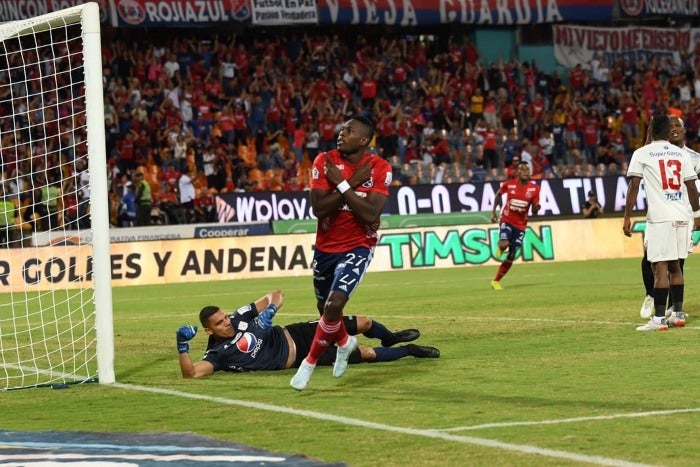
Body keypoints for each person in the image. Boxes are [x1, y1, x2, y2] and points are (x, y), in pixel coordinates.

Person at [290, 114, 393, 391]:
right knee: (324, 311)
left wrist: (343, 185)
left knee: (334, 306)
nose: (340, 133)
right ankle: (346, 343)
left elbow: (370, 214)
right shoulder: (324, 161)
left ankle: (308, 365)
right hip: (325, 247)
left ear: (363, 140)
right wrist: (351, 186)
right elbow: (319, 209)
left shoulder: (379, 167)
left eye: (348, 131)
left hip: (359, 245)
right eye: (341, 129)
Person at [176, 290, 439, 379]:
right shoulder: (217, 355)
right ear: (209, 330)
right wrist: (182, 346)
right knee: (366, 354)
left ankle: (390, 337)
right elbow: (191, 374)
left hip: (298, 332)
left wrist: (270, 309)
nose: (227, 323)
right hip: (303, 357)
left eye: (225, 318)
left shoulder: (239, 316)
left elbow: (274, 294)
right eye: (220, 324)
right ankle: (409, 351)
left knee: (364, 322)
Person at [623, 114, 700, 331]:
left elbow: (634, 187)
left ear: (650, 130)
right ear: (668, 132)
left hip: (660, 217)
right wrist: (696, 214)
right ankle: (677, 314)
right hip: (682, 215)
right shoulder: (680, 153)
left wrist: (627, 216)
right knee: (676, 266)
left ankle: (658, 319)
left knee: (659, 268)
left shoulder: (642, 153)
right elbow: (692, 188)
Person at [490, 161, 541, 290]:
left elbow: (535, 207)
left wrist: (536, 208)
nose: (525, 172)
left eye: (527, 170)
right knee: (504, 244)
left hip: (521, 225)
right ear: (517, 172)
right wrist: (494, 212)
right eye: (522, 170)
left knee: (512, 255)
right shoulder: (509, 184)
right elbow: (498, 195)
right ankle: (501, 248)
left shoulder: (534, 189)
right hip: (507, 219)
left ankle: (496, 281)